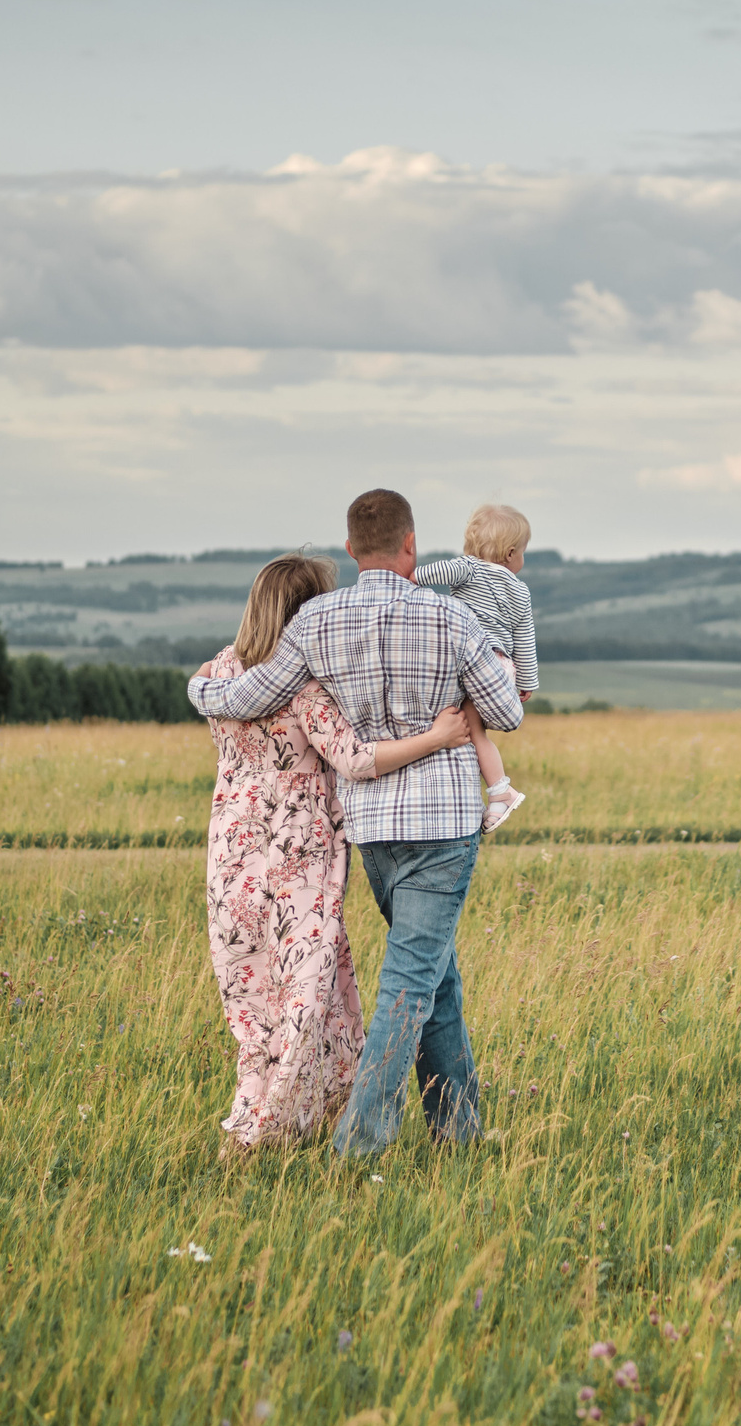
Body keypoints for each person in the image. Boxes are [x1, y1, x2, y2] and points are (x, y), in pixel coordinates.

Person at [189, 489, 525, 1159]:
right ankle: (360, 1140)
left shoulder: (314, 624)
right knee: (411, 979)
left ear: (351, 548)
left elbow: (249, 694)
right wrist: (462, 713)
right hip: (440, 824)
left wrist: (203, 691)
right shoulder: (449, 618)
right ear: (411, 545)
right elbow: (507, 711)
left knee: (434, 972)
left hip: (368, 828)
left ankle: (459, 1129)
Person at [415, 502, 541, 831]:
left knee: (464, 728)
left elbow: (423, 575)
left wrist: (402, 584)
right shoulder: (520, 590)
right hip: (501, 663)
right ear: (511, 553)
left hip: (473, 658)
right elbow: (524, 638)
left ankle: (500, 791)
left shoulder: (468, 568)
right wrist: (526, 681)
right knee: (475, 732)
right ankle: (498, 791)